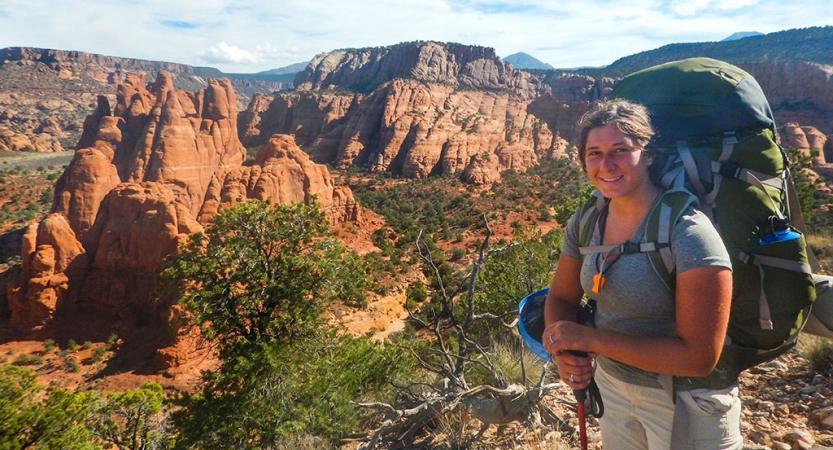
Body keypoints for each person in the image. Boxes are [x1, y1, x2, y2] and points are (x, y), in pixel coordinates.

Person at [542, 100, 742, 449]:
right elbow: (560, 298)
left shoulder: (688, 232)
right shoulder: (588, 220)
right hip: (614, 389)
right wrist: (563, 352)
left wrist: (589, 340)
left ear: (649, 154)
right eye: (594, 153)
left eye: (621, 150)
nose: (606, 164)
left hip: (689, 401)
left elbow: (698, 358)